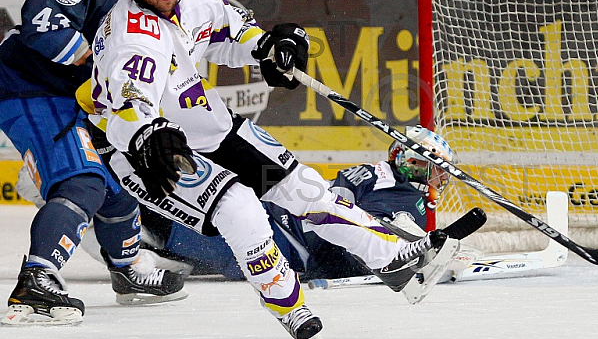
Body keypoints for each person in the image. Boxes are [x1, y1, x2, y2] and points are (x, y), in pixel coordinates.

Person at [84, 0, 460, 339]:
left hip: (206, 125)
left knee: (302, 188)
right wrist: (148, 132)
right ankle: (288, 304)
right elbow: (130, 106)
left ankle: (390, 259)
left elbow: (230, 37)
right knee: (240, 206)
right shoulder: (131, 37)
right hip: (143, 149)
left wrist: (269, 45)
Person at [0, 0, 187, 326]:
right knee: (83, 181)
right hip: (33, 89)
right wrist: (96, 64)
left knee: (122, 178)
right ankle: (37, 278)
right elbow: (42, 21)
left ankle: (126, 271)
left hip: (81, 98)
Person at [130, 126, 458, 283]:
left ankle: (150, 237)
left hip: (282, 227)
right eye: (438, 170)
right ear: (417, 164)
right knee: (208, 231)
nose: (441, 180)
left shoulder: (381, 176)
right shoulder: (397, 188)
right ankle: (133, 219)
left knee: (209, 227)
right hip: (282, 239)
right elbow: (338, 237)